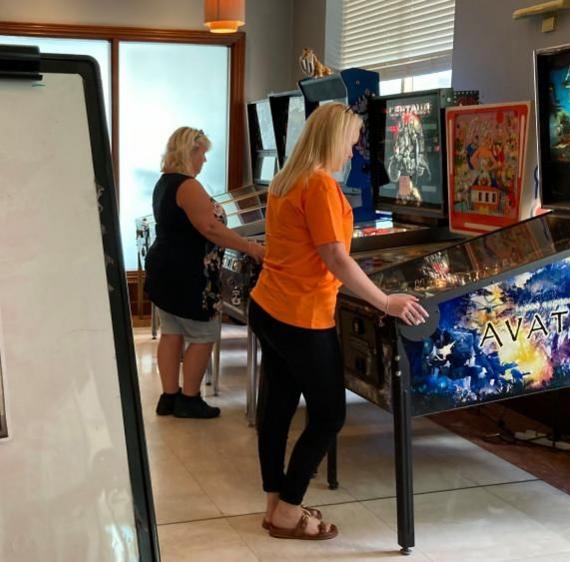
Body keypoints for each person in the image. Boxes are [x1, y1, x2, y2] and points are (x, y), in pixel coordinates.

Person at [248, 104, 429, 540]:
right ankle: (290, 511)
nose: (353, 151)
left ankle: (275, 503)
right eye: (351, 141)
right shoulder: (320, 185)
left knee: (277, 408)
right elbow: (334, 255)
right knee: (329, 414)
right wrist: (386, 301)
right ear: (333, 139)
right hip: (302, 315)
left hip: (269, 306)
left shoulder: (286, 180)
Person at [144, 127, 265, 418]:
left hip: (166, 268)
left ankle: (169, 397)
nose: (205, 160)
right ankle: (189, 399)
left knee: (171, 332)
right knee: (203, 334)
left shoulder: (165, 182)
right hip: (188, 273)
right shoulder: (188, 186)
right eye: (203, 153)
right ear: (191, 152)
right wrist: (252, 247)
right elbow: (210, 228)